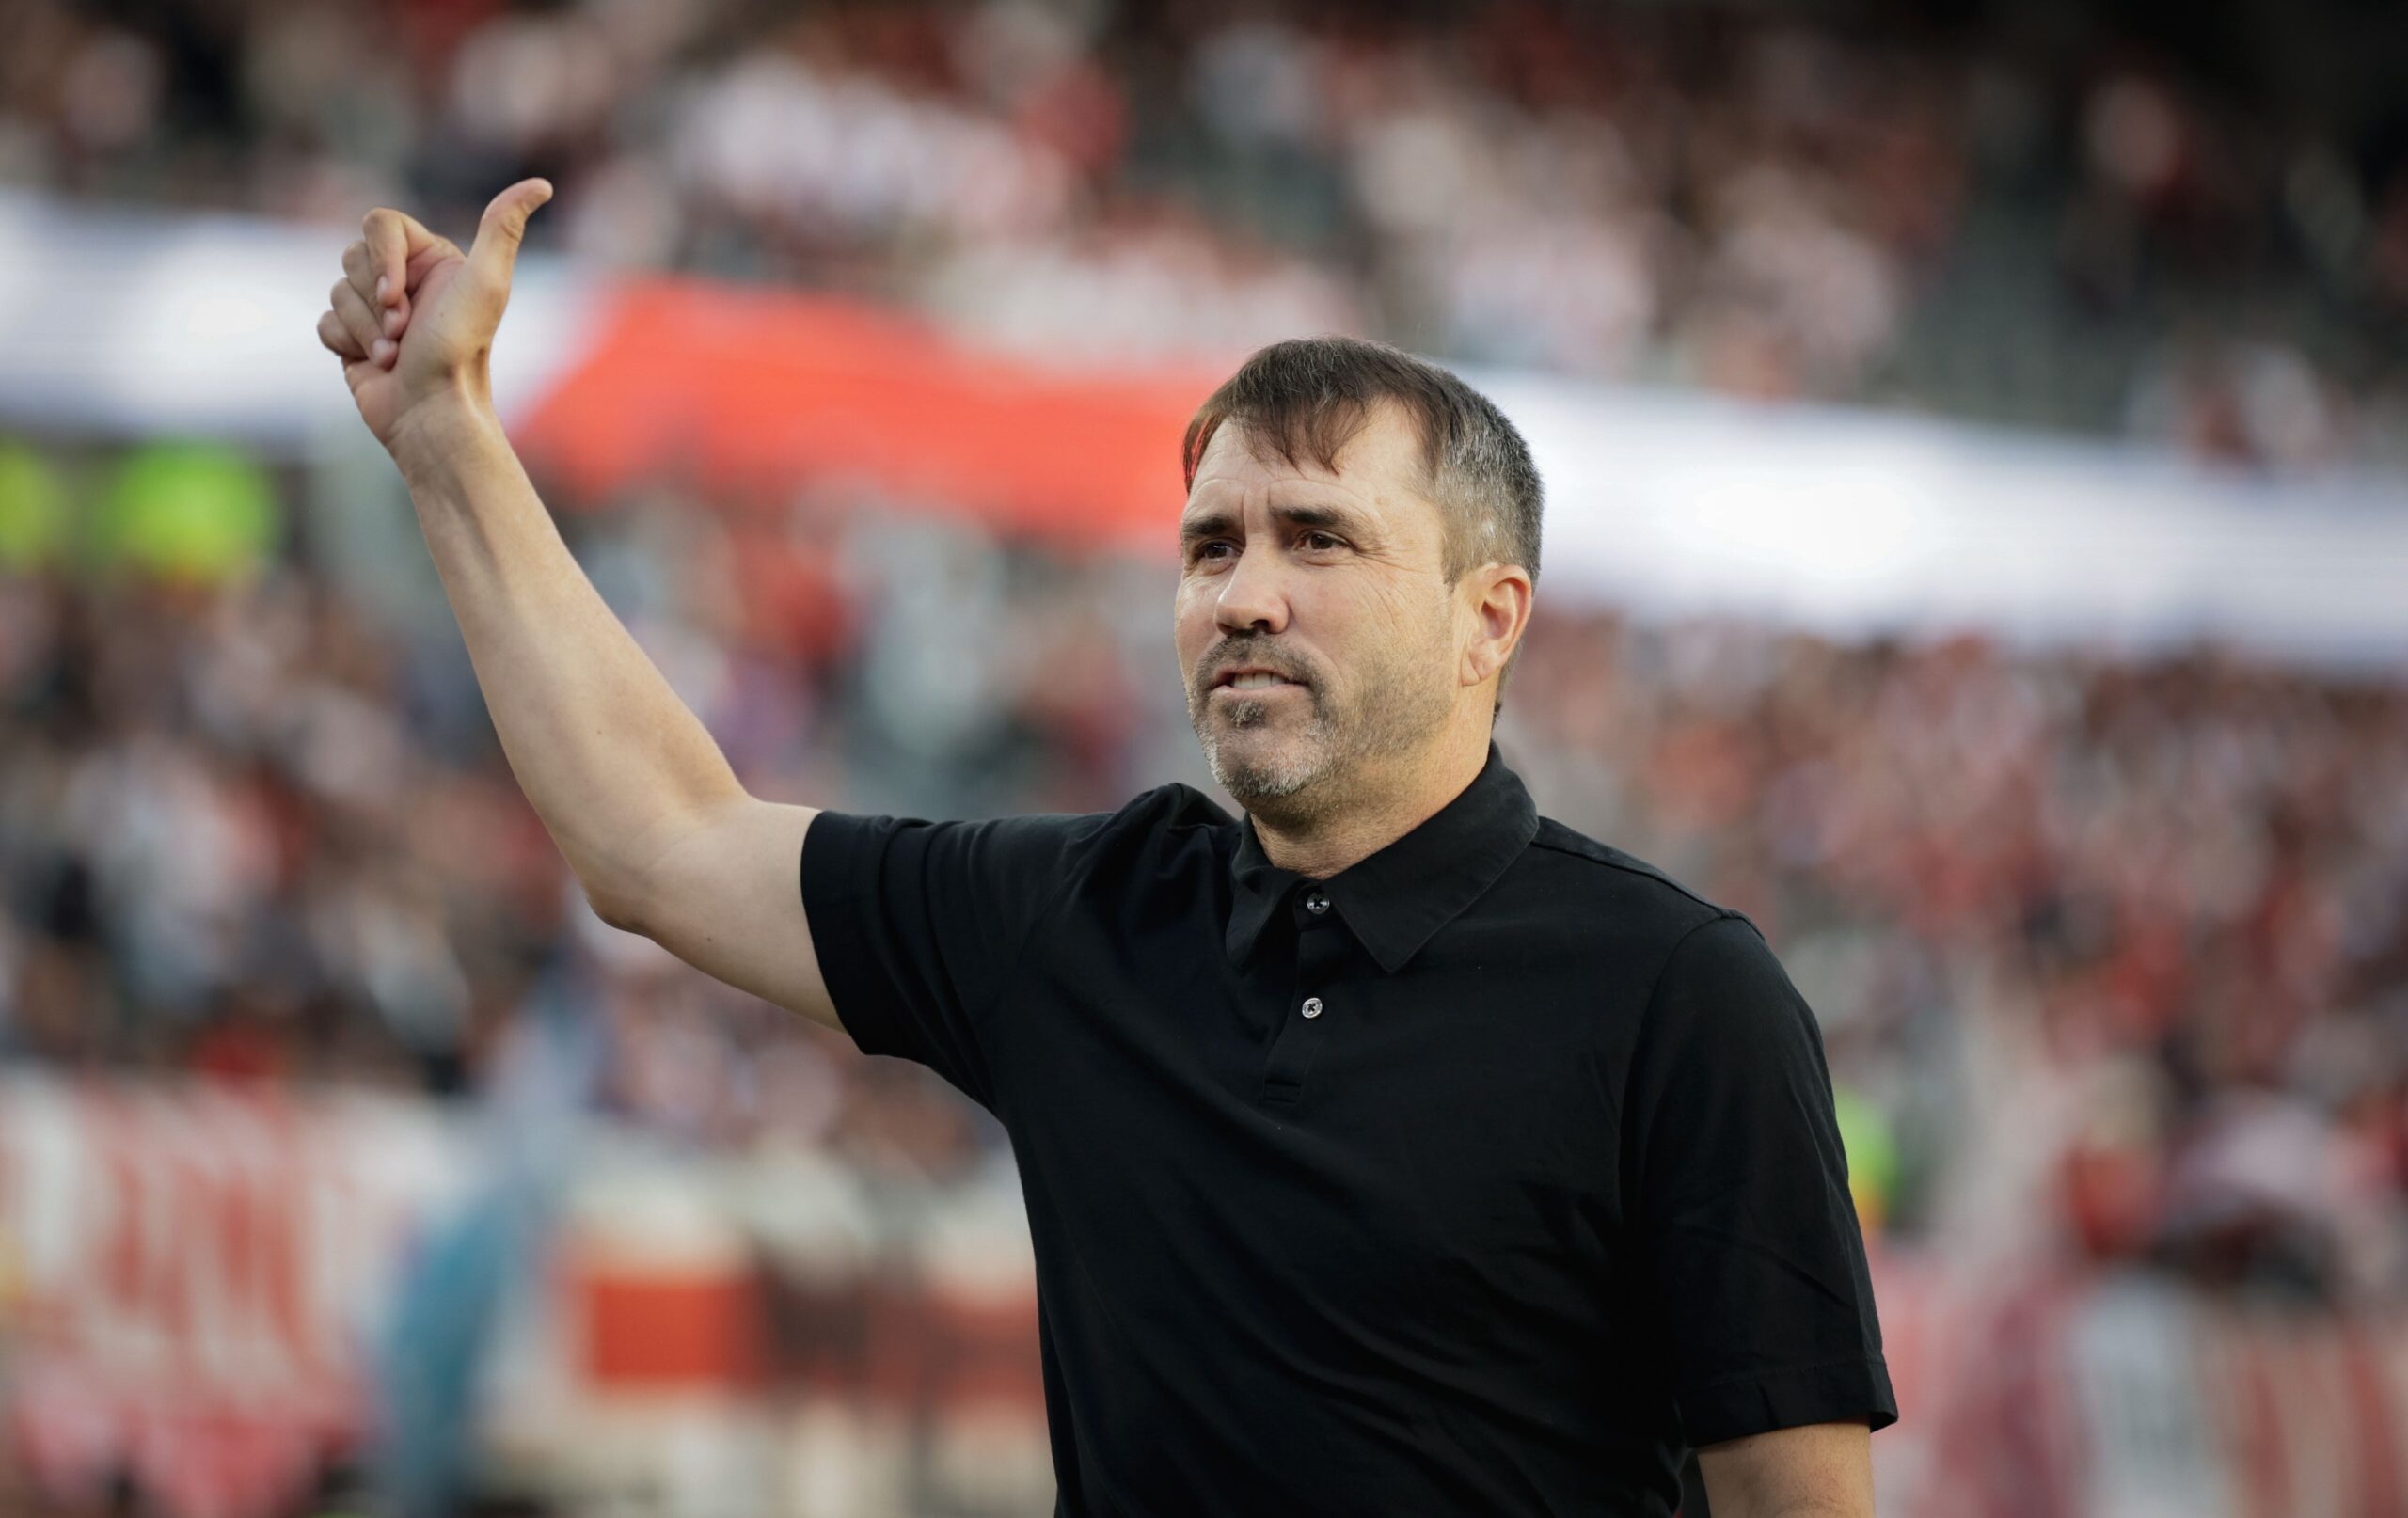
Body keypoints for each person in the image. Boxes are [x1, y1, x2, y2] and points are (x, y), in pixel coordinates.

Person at [317, 180, 1897, 1517]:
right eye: (1211, 546)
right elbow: (661, 842)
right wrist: (448, 437)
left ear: (1490, 618)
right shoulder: (1084, 920)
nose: (1244, 597)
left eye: (1319, 539)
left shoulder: (1679, 995)